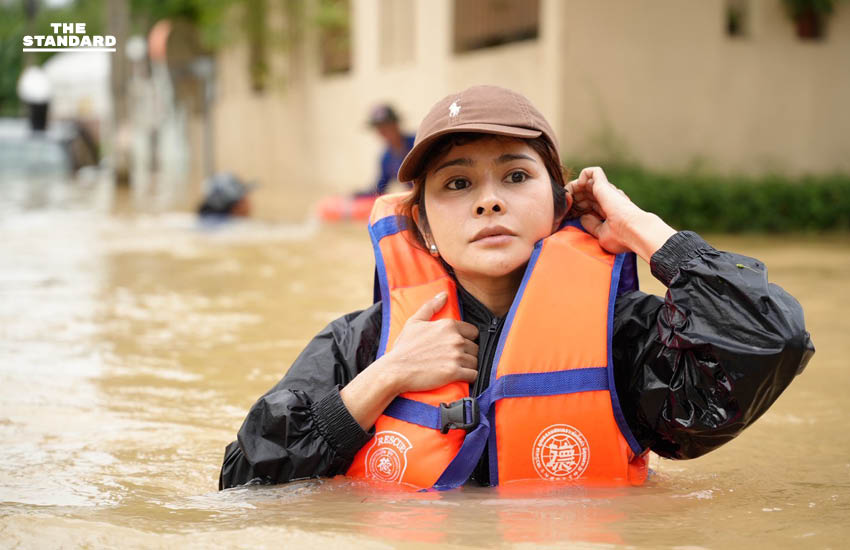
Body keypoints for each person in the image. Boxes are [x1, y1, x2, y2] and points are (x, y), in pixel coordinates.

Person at [219, 85, 814, 490]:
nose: (489, 200)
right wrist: (385, 377)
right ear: (422, 227)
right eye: (457, 184)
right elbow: (244, 481)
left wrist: (644, 231)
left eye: (516, 175)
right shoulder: (361, 344)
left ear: (558, 205)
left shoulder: (627, 337)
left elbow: (770, 338)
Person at [359, 104, 415, 196]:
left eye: (387, 125)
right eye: (379, 128)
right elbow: (380, 188)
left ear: (396, 124)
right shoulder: (386, 159)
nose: (384, 131)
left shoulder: (417, 142)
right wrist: (359, 195)